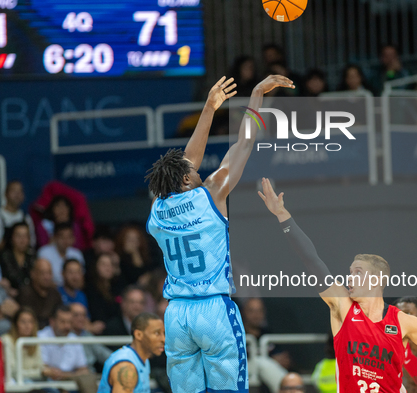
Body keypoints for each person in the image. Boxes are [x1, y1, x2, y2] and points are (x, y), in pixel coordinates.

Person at [257, 177, 417, 392]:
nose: (349, 277)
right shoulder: (343, 306)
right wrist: (284, 217)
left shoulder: (401, 321)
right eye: (349, 272)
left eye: (357, 272)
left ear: (377, 279)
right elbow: (312, 260)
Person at [146, 74, 294, 393]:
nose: (198, 169)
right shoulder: (210, 194)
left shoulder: (157, 208)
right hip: (211, 308)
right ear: (186, 181)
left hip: (175, 314)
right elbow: (245, 141)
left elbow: (184, 163)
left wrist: (211, 109)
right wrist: (256, 94)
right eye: (193, 172)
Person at [97, 312, 165, 393]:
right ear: (138, 335)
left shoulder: (144, 359)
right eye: (157, 333)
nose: (163, 339)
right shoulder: (126, 366)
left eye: (163, 333)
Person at [38, 305, 90, 380]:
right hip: (47, 384)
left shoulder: (74, 339)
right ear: (52, 321)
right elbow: (44, 369)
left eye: (69, 322)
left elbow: (84, 370)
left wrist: (64, 375)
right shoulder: (41, 337)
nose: (67, 326)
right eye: (62, 322)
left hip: (71, 384)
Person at [0, 308, 45, 383]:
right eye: (23, 322)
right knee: (28, 383)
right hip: (14, 381)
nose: (27, 325)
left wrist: (42, 372)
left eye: (30, 322)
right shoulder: (6, 340)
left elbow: (39, 366)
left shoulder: (35, 341)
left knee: (52, 386)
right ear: (15, 324)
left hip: (34, 379)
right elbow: (13, 371)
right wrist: (39, 373)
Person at [0, 180, 36, 250]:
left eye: (20, 191)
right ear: (6, 194)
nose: (17, 195)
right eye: (14, 191)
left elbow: (32, 243)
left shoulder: (26, 218)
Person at [17, 258, 62, 329]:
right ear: (33, 274)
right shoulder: (25, 293)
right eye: (43, 273)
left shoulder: (55, 294)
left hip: (52, 333)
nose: (47, 277)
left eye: (49, 273)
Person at [37, 222, 85, 287]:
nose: (66, 240)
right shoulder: (44, 252)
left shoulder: (77, 254)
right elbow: (40, 279)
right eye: (62, 237)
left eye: (69, 237)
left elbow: (81, 280)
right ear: (55, 237)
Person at [70, 303, 112, 374]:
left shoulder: (87, 335)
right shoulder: (63, 336)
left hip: (88, 375)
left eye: (83, 315)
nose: (80, 319)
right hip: (68, 375)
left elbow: (103, 354)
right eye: (76, 315)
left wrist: (121, 360)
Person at [0, 222, 36, 294]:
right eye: (18, 236)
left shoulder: (33, 256)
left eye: (25, 236)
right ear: (12, 238)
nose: (22, 240)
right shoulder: (3, 257)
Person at [85, 253, 122, 325]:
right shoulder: (90, 289)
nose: (108, 268)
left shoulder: (117, 288)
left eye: (110, 265)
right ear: (96, 267)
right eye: (104, 264)